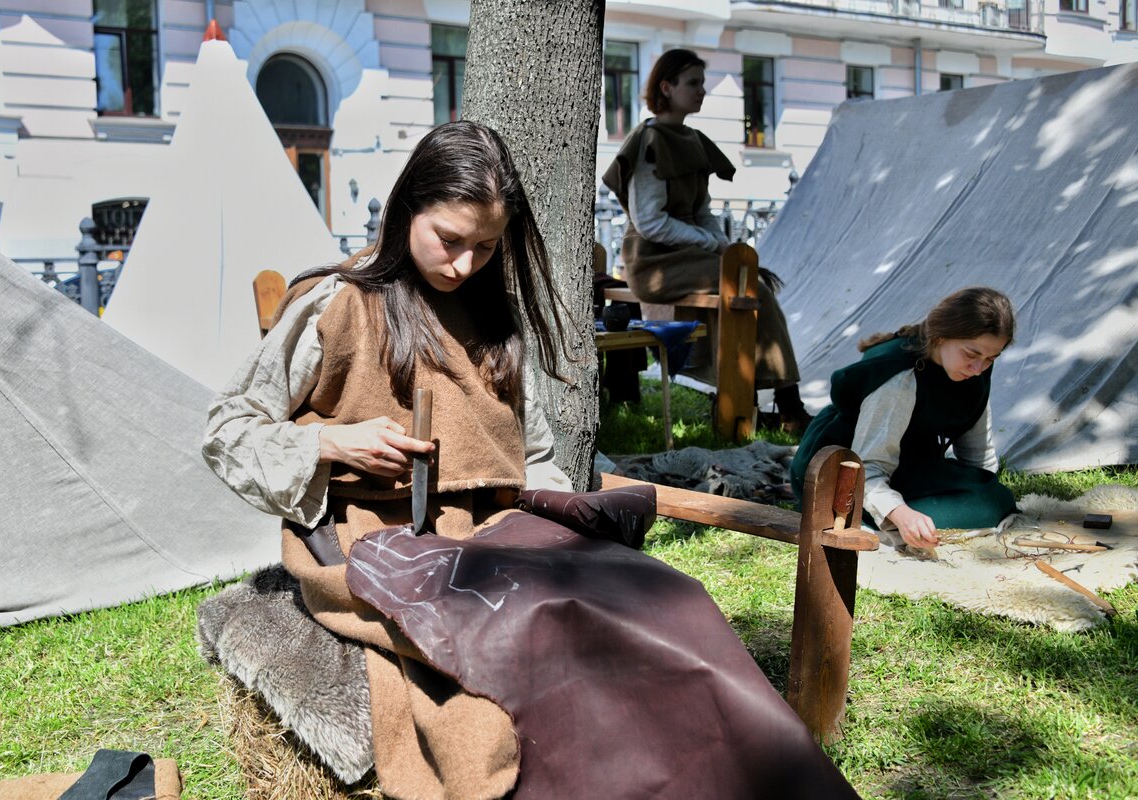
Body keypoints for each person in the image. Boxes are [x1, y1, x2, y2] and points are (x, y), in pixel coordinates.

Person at [203, 121, 858, 799]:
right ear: (407, 213)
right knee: (542, 640)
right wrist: (329, 443)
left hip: (495, 532)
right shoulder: (335, 307)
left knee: (673, 604)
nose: (463, 265)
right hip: (377, 542)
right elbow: (227, 432)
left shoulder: (497, 324)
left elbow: (537, 458)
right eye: (449, 240)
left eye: (485, 247)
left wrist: (548, 531)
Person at [602, 48, 813, 431]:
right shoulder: (649, 141)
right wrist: (708, 243)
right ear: (666, 87)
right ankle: (786, 405)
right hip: (654, 261)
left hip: (689, 256)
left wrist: (722, 244)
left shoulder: (694, 139)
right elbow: (649, 221)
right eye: (693, 83)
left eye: (703, 83)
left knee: (749, 283)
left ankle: (747, 400)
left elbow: (701, 210)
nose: (702, 91)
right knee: (748, 287)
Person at [790, 286, 1018, 549]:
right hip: (843, 461)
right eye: (972, 354)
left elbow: (977, 456)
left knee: (992, 500)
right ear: (941, 337)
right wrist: (900, 514)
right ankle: (870, 515)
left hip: (908, 457)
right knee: (960, 513)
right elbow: (867, 467)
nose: (979, 368)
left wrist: (980, 485)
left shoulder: (972, 371)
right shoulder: (900, 380)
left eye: (991, 358)